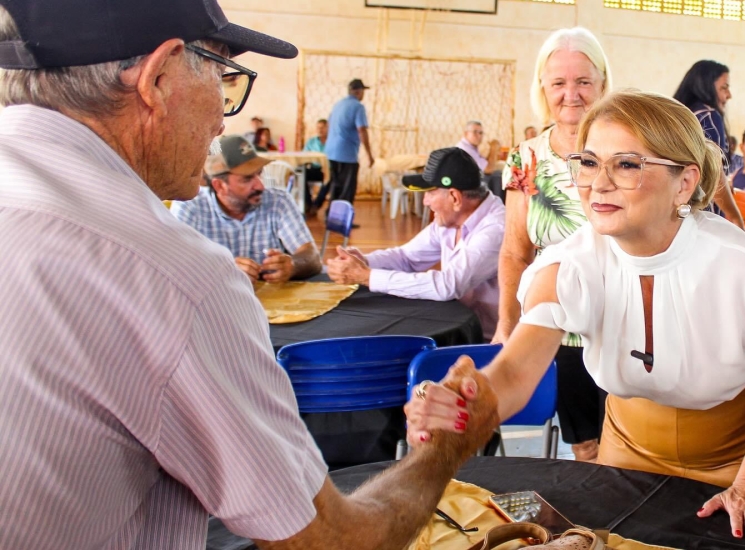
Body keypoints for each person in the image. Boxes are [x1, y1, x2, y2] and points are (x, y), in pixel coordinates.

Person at [0, 2, 502, 548]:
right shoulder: (173, 276)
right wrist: (443, 450)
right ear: (159, 76)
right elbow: (328, 543)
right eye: (222, 76)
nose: (222, 120)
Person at [406, 90, 745, 544]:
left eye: (627, 164)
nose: (598, 183)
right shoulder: (572, 262)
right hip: (624, 457)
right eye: (589, 163)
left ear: (685, 183)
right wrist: (471, 402)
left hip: (735, 464)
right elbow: (516, 368)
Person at [495, 27, 612, 462]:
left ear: (602, 83)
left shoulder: (632, 147)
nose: (572, 94)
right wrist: (507, 322)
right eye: (559, 82)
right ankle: (598, 529)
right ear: (542, 87)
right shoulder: (525, 158)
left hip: (630, 324)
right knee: (586, 444)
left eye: (583, 81)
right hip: (560, 327)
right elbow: (514, 250)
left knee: (634, 445)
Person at [327, 147, 505, 340]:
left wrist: (366, 276)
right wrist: (365, 262)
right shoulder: (451, 219)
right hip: (457, 325)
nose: (425, 201)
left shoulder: (496, 228)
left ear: (454, 197)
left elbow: (449, 285)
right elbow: (407, 258)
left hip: (489, 343)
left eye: (430, 193)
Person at [171, 134, 322, 283]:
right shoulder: (190, 206)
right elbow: (172, 265)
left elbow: (313, 258)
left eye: (259, 174)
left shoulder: (278, 201)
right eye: (247, 179)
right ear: (219, 186)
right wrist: (222, 270)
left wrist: (294, 265)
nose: (261, 185)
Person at [673, 60, 745, 229]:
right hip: (701, 214)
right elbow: (714, 173)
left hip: (677, 211)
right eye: (724, 87)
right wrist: (735, 216)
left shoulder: (680, 116)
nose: (729, 95)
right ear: (706, 87)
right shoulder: (709, 117)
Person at [325, 78, 374, 218]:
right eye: (363, 91)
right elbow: (362, 130)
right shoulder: (358, 107)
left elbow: (329, 124)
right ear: (358, 92)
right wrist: (369, 155)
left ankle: (331, 215)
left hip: (331, 152)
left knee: (336, 185)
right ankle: (342, 219)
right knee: (347, 188)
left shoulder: (338, 104)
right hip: (347, 154)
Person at [304, 118, 329, 215]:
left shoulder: (332, 141)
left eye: (323, 127)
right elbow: (304, 156)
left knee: (330, 178)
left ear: (328, 128)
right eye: (318, 128)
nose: (320, 130)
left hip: (327, 170)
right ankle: (308, 203)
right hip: (315, 169)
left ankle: (317, 204)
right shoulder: (311, 142)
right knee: (302, 175)